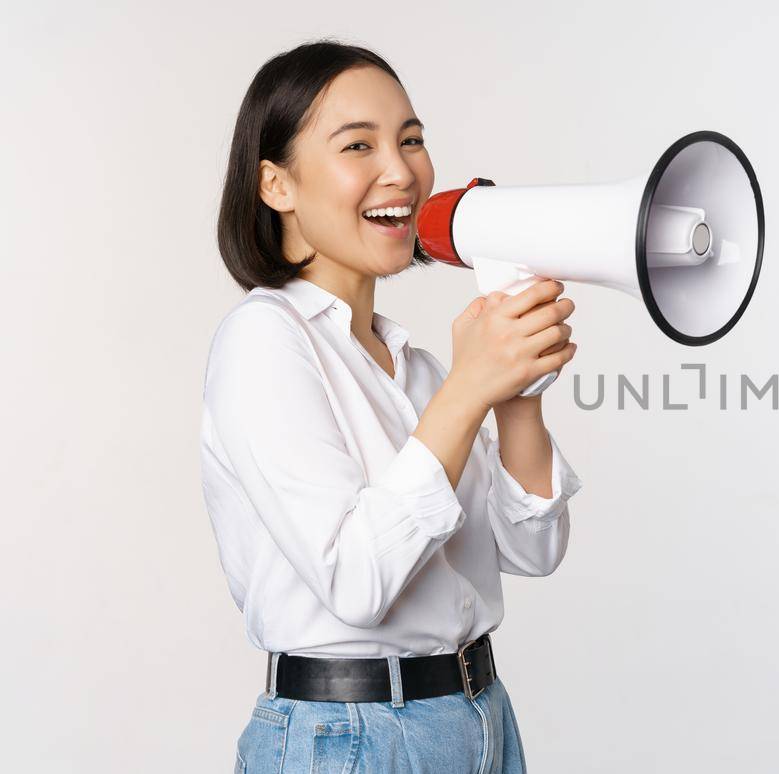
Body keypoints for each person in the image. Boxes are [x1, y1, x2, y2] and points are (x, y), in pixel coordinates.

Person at [202, 40, 580, 773]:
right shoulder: (263, 340)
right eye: (358, 145)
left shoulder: (418, 369)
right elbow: (356, 582)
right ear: (276, 185)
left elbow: (535, 551)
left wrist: (516, 394)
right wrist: (471, 387)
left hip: (482, 717)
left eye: (412, 140)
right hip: (352, 737)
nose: (402, 171)